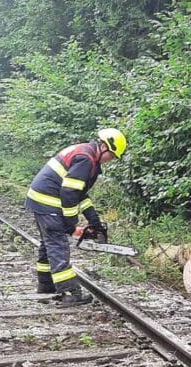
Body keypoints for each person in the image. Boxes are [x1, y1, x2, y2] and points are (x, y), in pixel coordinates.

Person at [24, 128, 126, 306]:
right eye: (111, 155)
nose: (111, 160)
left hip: (41, 200)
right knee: (58, 246)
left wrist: (94, 220)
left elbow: (80, 193)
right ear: (103, 146)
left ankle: (46, 285)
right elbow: (69, 192)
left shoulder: (86, 153)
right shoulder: (86, 159)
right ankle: (70, 293)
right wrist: (71, 226)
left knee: (49, 243)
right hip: (49, 201)